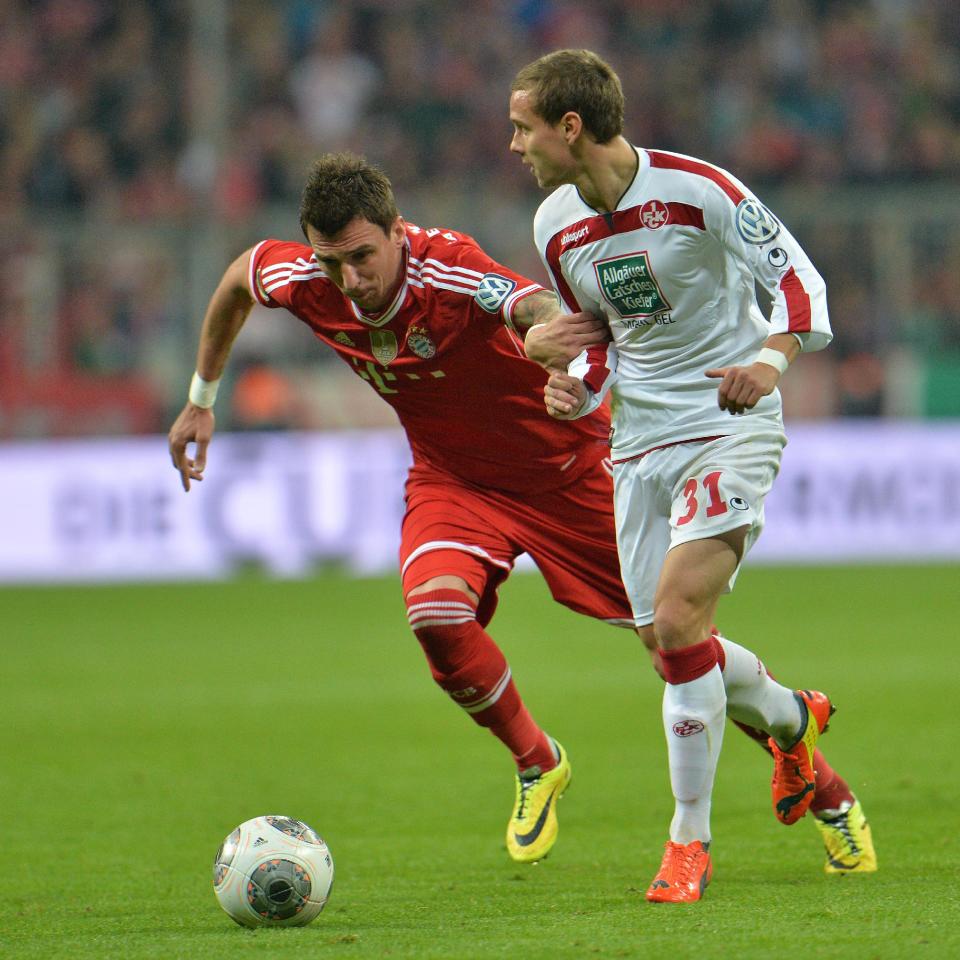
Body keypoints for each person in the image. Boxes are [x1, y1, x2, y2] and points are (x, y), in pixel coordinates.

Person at [168, 152, 873, 878]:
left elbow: (531, 304)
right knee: (436, 615)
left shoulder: (446, 267)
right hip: (455, 482)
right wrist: (200, 397)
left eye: (361, 257)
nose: (349, 279)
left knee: (677, 648)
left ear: (396, 234)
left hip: (569, 475)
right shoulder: (305, 278)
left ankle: (822, 780)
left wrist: (543, 336)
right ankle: (539, 761)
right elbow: (235, 281)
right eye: (332, 261)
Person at [510, 49, 875, 901]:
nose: (513, 145)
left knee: (677, 622)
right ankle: (794, 721)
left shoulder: (700, 190)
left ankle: (688, 843)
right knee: (667, 642)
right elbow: (603, 335)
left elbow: (800, 284)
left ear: (571, 127)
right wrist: (573, 384)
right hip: (638, 445)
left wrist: (772, 364)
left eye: (523, 127)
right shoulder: (554, 226)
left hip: (729, 422)